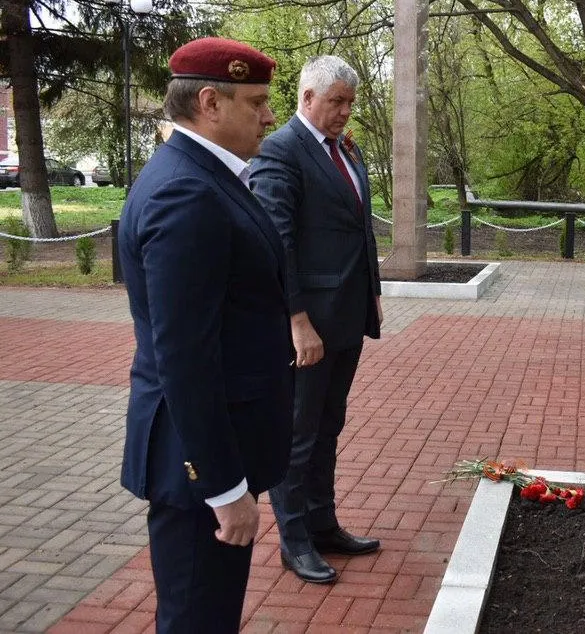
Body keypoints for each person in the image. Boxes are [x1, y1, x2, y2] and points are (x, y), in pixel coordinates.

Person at [117, 37, 291, 632]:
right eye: (258, 102)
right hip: (199, 466)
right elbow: (184, 360)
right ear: (210, 103)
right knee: (197, 619)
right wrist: (222, 488)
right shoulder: (186, 193)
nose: (270, 115)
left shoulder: (203, 175)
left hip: (215, 450)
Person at [250, 55, 383, 584]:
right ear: (307, 99)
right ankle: (295, 539)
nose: (345, 112)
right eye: (336, 102)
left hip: (347, 316)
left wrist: (371, 292)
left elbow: (359, 228)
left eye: (350, 102)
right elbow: (277, 241)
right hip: (308, 325)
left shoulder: (344, 149)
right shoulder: (281, 150)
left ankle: (324, 525)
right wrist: (296, 320)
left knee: (329, 425)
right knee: (298, 434)